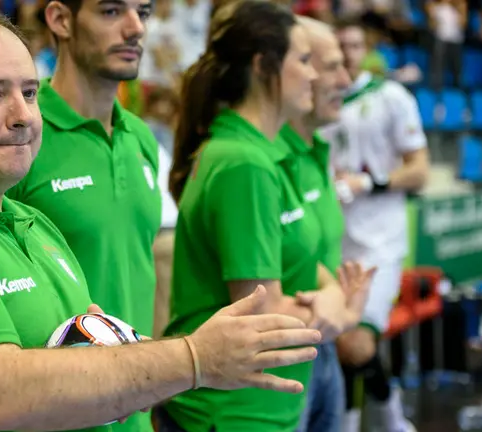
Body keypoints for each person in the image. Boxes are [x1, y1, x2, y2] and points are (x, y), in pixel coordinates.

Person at [0, 7, 323, 432]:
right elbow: (2, 393)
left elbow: (105, 351)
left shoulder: (31, 224)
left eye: (28, 92)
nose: (22, 115)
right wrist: (194, 359)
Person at [160, 2, 373, 431]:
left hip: (262, 403)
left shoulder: (253, 153)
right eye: (305, 60)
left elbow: (294, 258)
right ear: (263, 66)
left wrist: (332, 294)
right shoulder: (245, 163)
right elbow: (263, 312)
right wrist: (341, 310)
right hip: (236, 411)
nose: (314, 76)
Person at [5, 0, 162, 430]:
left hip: (136, 415)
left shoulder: (140, 138)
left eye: (143, 13)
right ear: (61, 19)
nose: (135, 29)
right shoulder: (21, 138)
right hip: (55, 416)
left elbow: (143, 267)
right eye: (112, 11)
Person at [320, 18, 430, 432]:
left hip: (380, 243)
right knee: (337, 343)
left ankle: (391, 422)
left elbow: (420, 170)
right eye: (338, 46)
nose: (345, 54)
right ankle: (381, 421)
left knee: (355, 341)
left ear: (365, 50)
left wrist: (370, 182)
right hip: (332, 240)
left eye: (353, 45)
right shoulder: (322, 104)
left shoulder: (391, 97)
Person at [276, 16, 356, 432]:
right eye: (329, 66)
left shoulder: (317, 151)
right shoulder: (265, 160)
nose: (346, 79)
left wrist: (339, 306)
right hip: (279, 363)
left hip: (322, 349)